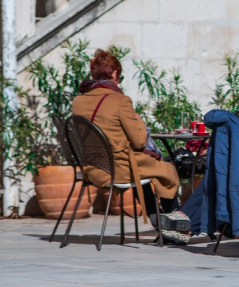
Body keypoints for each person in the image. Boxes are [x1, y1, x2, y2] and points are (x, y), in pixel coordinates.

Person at [71, 49, 189, 244]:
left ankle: (159, 221)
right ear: (115, 74)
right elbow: (139, 141)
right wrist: (139, 121)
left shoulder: (78, 101)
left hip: (92, 168)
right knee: (167, 169)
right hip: (119, 167)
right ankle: (170, 223)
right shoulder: (120, 100)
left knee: (141, 176)